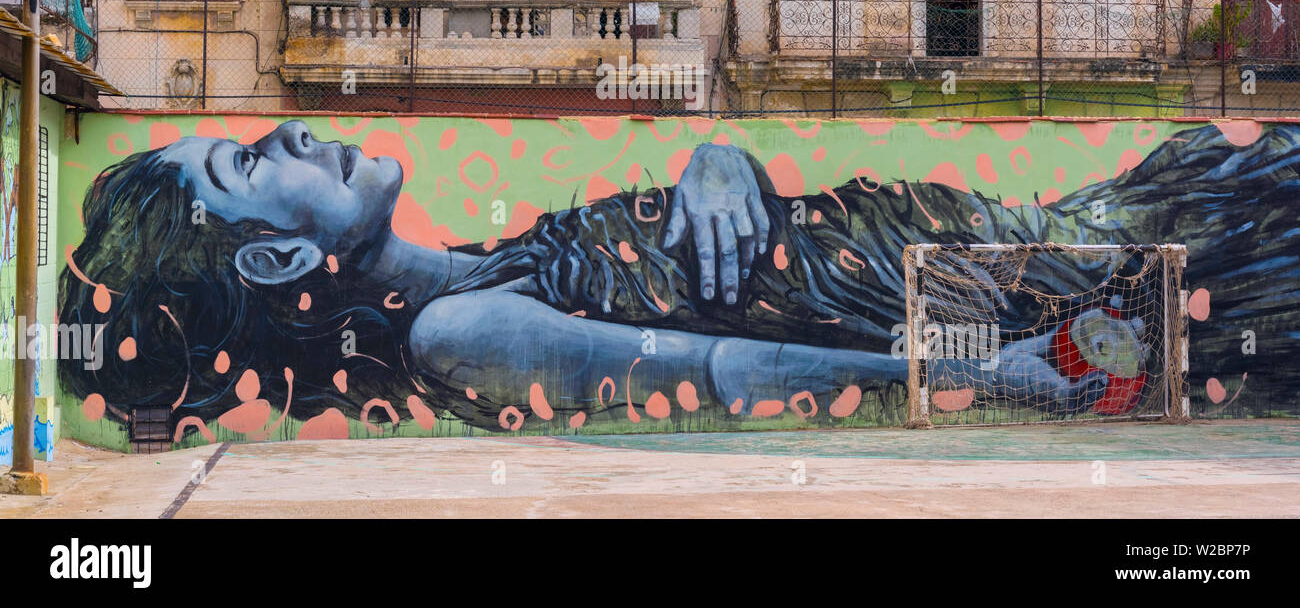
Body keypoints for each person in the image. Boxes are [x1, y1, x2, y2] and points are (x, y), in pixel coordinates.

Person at [62, 120, 1286, 433]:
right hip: (1024, 289)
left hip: (1025, 244)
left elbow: (694, 270)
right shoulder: (460, 338)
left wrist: (718, 156)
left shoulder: (489, 267)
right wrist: (992, 375)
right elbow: (732, 369)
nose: (283, 135)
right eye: (246, 158)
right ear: (278, 257)